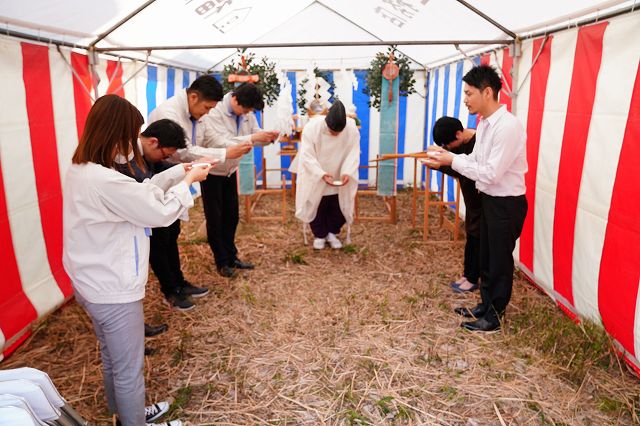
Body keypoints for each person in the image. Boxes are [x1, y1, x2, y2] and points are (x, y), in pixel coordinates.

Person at [63, 94, 210, 426]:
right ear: (116, 133)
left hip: (91, 280)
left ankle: (124, 414)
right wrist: (188, 181)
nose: (134, 140)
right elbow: (156, 212)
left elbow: (139, 194)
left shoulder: (83, 170)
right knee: (129, 367)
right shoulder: (104, 179)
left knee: (113, 358)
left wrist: (177, 175)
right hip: (113, 286)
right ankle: (133, 421)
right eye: (131, 132)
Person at [426, 65, 528, 332]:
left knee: (499, 262)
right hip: (491, 200)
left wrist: (451, 160)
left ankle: (494, 317)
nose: (465, 99)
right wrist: (449, 159)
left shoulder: (508, 127)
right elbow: (475, 160)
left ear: (488, 91)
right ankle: (485, 305)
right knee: (486, 258)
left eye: (469, 93)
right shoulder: (484, 125)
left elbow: (492, 172)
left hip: (505, 202)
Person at [149, 75, 252, 307]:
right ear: (193, 97)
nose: (207, 113)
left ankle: (178, 282)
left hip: (177, 175)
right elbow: (184, 152)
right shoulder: (170, 113)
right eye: (206, 108)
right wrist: (226, 154)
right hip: (161, 177)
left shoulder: (197, 113)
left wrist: (231, 146)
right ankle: (170, 289)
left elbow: (210, 138)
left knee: (172, 231)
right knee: (161, 236)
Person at [201, 82, 279, 277]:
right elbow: (221, 142)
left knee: (232, 216)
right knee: (215, 218)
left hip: (230, 170)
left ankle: (231, 256)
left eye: (249, 111)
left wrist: (268, 138)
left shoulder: (246, 112)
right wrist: (254, 137)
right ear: (235, 99)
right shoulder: (215, 111)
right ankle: (221, 261)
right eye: (245, 109)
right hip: (211, 171)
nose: (246, 114)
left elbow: (254, 135)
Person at [293, 100, 360, 250]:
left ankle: (332, 233)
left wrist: (347, 171)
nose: (335, 134)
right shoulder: (312, 128)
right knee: (317, 203)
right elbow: (307, 155)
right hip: (316, 171)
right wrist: (321, 174)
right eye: (332, 131)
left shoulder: (351, 128)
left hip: (340, 171)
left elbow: (353, 152)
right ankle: (319, 234)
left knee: (338, 204)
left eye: (338, 132)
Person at [432, 116, 480, 293]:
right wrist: (437, 162)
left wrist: (439, 165)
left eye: (447, 144)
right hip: (472, 201)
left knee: (477, 239)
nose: (447, 149)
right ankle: (468, 275)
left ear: (458, 135)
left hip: (482, 200)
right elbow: (457, 165)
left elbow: (466, 170)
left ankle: (473, 278)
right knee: (472, 236)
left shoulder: (478, 143)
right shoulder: (460, 143)